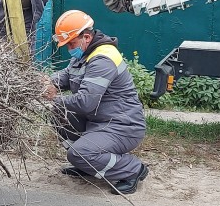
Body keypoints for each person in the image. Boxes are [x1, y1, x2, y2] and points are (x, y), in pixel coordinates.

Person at [43, 10, 148, 195]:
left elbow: (85, 103)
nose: (69, 49)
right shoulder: (84, 54)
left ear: (86, 36)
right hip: (100, 122)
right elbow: (66, 76)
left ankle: (132, 169)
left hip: (122, 126)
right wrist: (47, 83)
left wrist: (54, 98)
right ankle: (88, 165)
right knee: (59, 110)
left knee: (78, 152)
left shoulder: (103, 59)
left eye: (71, 44)